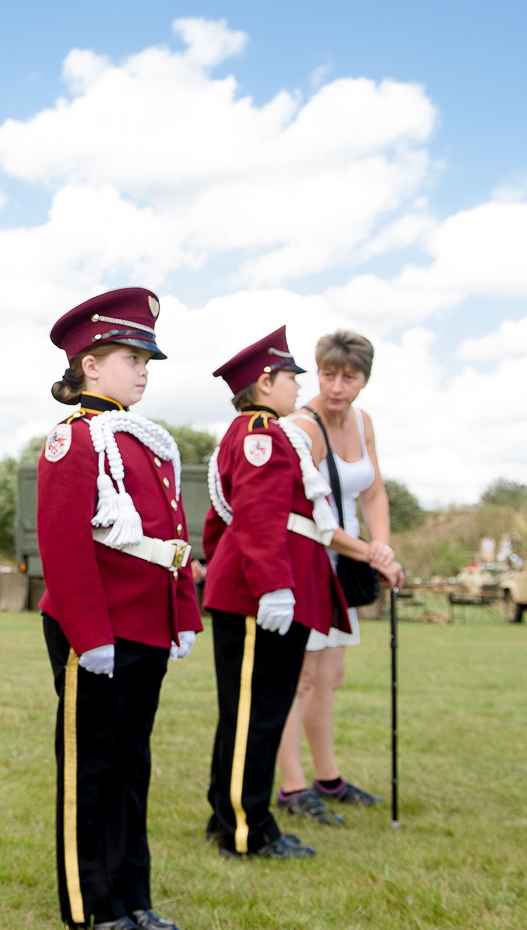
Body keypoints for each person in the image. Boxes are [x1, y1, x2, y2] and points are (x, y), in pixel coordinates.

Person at [37, 288, 202, 930]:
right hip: (98, 631)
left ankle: (135, 898)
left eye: (145, 360)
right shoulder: (74, 440)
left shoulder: (146, 442)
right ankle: (93, 908)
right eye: (128, 357)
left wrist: (182, 616)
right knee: (94, 771)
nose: (141, 370)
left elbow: (170, 542)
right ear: (89, 366)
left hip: (147, 629)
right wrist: (90, 633)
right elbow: (65, 544)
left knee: (133, 768)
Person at [201, 326, 397, 860]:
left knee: (246, 713)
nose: (298, 387)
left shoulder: (261, 432)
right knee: (257, 714)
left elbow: (222, 520)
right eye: (292, 376)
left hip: (252, 587)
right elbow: (260, 519)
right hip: (258, 593)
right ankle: (248, 828)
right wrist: (272, 588)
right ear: (266, 381)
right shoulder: (263, 434)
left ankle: (228, 814)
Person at [275, 330, 402, 824]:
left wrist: (382, 546)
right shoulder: (302, 428)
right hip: (307, 560)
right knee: (299, 678)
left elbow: (373, 493)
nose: (335, 386)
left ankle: (328, 777)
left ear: (364, 380)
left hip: (345, 565)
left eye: (348, 377)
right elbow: (312, 518)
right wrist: (373, 554)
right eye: (327, 374)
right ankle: (291, 785)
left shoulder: (363, 422)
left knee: (330, 677)